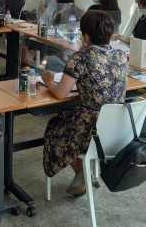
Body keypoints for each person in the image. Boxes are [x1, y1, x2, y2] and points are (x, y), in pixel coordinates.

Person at [42, 11, 127, 196]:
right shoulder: (120, 56)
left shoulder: (80, 60)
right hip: (118, 128)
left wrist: (48, 79)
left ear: (86, 36)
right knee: (69, 121)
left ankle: (81, 170)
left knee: (55, 127)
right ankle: (81, 171)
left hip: (91, 129)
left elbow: (60, 93)